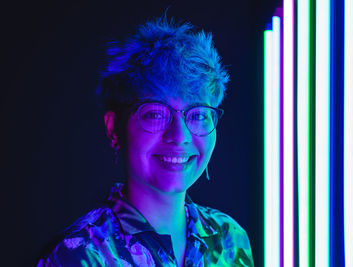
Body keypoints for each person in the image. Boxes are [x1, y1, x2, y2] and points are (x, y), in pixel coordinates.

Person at [37, 17, 254, 267]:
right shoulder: (77, 255)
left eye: (198, 115)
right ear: (113, 128)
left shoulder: (230, 240)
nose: (180, 136)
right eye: (155, 114)